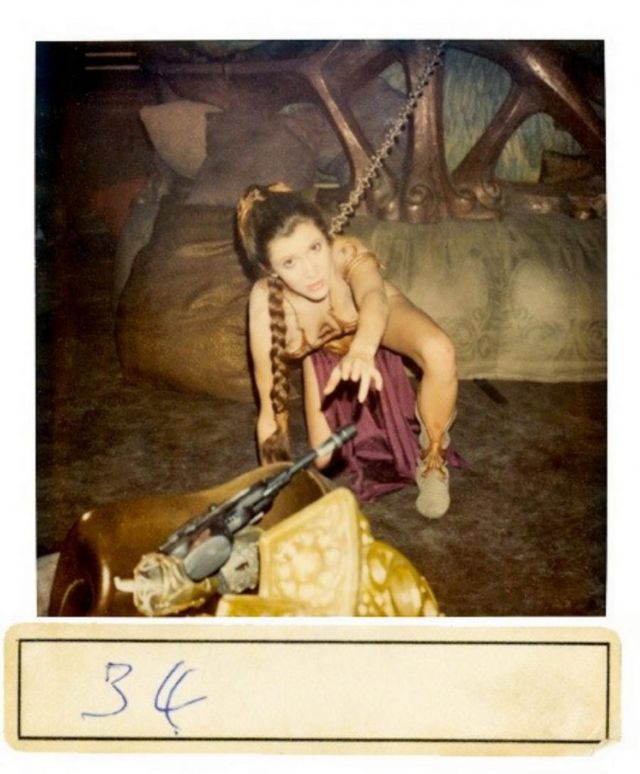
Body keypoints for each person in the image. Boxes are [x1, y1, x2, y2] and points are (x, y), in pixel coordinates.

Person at [236, 183, 458, 518]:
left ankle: (433, 459)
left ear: (327, 237)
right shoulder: (265, 306)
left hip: (376, 324)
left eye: (315, 248)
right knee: (325, 458)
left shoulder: (345, 252)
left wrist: (363, 349)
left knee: (440, 351)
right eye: (290, 262)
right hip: (323, 353)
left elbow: (373, 297)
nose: (312, 271)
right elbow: (270, 411)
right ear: (270, 269)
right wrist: (275, 497)